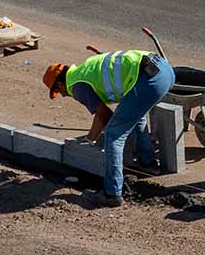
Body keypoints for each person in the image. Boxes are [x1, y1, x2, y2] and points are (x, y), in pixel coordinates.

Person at [43, 47, 176, 208]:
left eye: (58, 91)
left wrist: (98, 142)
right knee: (134, 116)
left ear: (60, 83)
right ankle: (147, 163)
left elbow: (105, 116)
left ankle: (111, 194)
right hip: (164, 70)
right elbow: (102, 113)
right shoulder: (85, 69)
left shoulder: (76, 86)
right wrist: (90, 139)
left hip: (148, 80)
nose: (63, 95)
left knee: (114, 134)